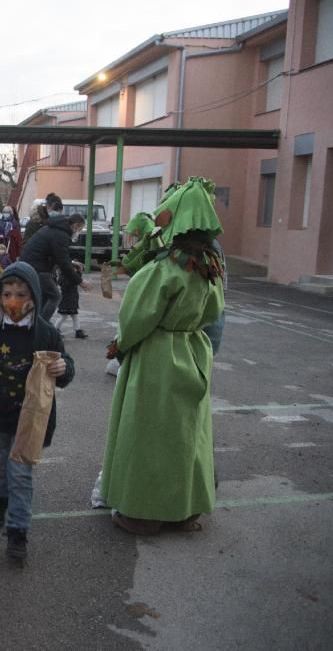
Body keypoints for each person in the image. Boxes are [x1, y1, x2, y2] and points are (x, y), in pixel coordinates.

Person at [100, 177, 226, 536]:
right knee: (186, 435)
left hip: (158, 356)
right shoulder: (210, 268)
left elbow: (136, 317)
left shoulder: (163, 269)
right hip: (193, 350)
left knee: (149, 434)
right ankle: (184, 511)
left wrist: (121, 345)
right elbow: (214, 312)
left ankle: (143, 512)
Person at [0, 262, 75, 561]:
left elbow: (66, 366)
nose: (13, 301)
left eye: (21, 293)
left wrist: (63, 368)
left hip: (28, 422)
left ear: (34, 294)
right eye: (7, 293)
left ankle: (18, 530)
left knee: (20, 474)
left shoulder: (44, 332)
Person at [19, 211, 92, 321]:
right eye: (80, 229)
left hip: (31, 264)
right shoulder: (61, 235)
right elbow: (63, 263)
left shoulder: (55, 229)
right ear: (76, 225)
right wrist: (80, 281)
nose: (78, 232)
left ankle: (36, 323)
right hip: (37, 267)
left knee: (44, 296)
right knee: (55, 296)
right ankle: (41, 326)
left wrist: (71, 262)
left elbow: (57, 255)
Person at [54, 258, 89, 339]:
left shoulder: (70, 276)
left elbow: (77, 280)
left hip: (72, 300)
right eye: (74, 268)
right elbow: (68, 284)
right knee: (64, 316)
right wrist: (77, 273)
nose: (75, 270)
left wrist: (78, 271)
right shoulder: (64, 276)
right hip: (67, 300)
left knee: (74, 316)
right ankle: (55, 330)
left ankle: (78, 331)